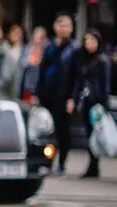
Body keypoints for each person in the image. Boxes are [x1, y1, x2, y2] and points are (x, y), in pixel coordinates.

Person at [31, 13, 78, 175]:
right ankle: (47, 161)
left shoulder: (74, 49)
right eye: (61, 25)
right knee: (47, 129)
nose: (64, 28)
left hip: (63, 95)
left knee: (62, 130)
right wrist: (37, 92)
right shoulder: (49, 46)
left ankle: (62, 163)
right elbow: (41, 71)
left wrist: (72, 97)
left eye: (67, 25)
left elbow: (75, 76)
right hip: (47, 93)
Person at [67, 28, 111, 178]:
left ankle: (94, 164)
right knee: (89, 134)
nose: (89, 44)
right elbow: (78, 81)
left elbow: (105, 84)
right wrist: (74, 98)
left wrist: (104, 104)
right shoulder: (81, 58)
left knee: (96, 134)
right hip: (85, 101)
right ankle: (92, 164)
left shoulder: (102, 60)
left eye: (92, 41)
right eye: (87, 41)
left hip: (97, 102)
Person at [15, 26, 47, 101]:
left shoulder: (47, 53)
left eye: (42, 36)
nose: (40, 38)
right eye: (38, 35)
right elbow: (20, 72)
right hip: (26, 91)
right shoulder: (26, 51)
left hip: (39, 93)